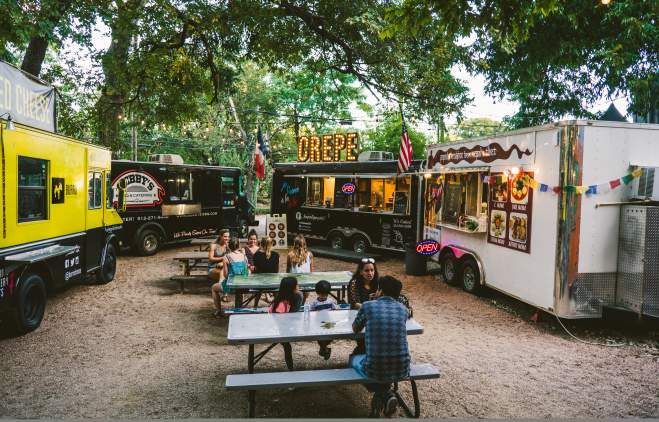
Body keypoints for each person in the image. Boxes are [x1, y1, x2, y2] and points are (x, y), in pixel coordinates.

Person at [351, 276, 410, 417]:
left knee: (352, 359)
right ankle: (385, 396)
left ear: (380, 291)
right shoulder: (403, 310)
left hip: (375, 368)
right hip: (402, 367)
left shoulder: (368, 305)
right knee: (385, 359)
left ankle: (384, 394)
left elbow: (355, 328)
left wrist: (371, 303)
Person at [268, 276, 299, 370]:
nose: (298, 286)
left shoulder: (289, 299)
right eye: (296, 285)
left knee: (288, 347)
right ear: (291, 289)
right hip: (278, 329)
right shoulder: (282, 304)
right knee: (287, 348)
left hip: (283, 326)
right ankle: (291, 369)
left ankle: (291, 369)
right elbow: (278, 320)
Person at [309, 280, 338, 360]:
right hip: (319, 324)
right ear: (317, 293)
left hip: (328, 323)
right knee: (320, 339)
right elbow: (311, 312)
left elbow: (336, 310)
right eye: (321, 294)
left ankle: (324, 349)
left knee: (330, 337)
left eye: (325, 294)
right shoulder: (315, 303)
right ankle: (325, 350)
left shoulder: (330, 301)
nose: (323, 296)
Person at [209, 230, 230, 315]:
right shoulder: (213, 245)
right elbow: (211, 258)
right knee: (223, 271)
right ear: (220, 236)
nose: (227, 238)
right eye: (225, 236)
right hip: (212, 268)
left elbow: (230, 257)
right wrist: (223, 259)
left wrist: (223, 262)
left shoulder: (227, 246)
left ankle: (222, 289)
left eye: (228, 237)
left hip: (223, 268)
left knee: (224, 270)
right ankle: (224, 292)